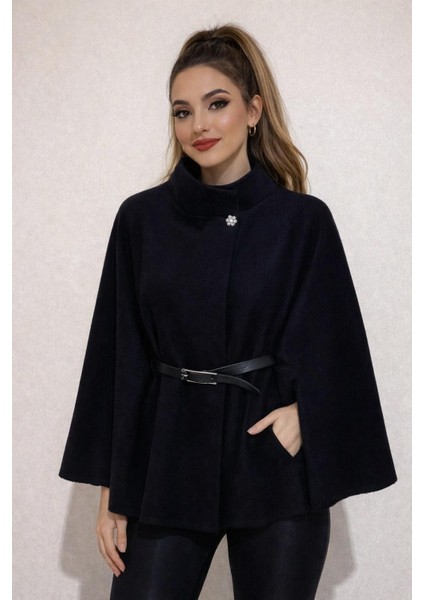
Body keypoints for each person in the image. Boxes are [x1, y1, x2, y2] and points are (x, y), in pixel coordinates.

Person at [59, 23, 397, 599]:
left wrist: (306, 415)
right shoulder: (141, 220)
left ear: (253, 110)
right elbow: (118, 356)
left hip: (271, 460)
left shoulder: (302, 221)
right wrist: (112, 489)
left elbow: (337, 343)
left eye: (217, 104)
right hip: (167, 454)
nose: (199, 125)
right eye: (182, 111)